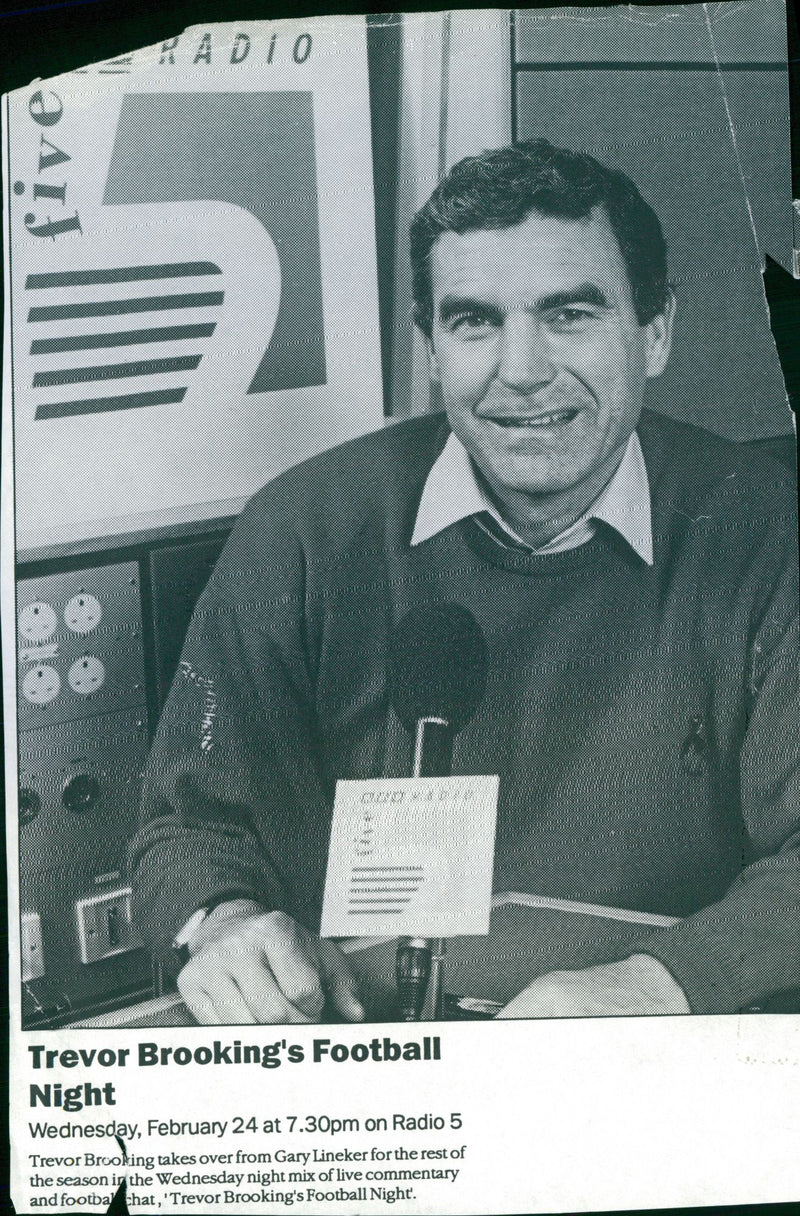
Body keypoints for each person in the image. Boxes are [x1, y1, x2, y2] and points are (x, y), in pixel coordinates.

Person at [130, 140, 799, 1025]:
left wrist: (661, 984)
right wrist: (226, 920)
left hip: (650, 1050)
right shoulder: (303, 528)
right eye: (475, 321)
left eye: (569, 315)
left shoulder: (762, 523)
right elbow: (186, 828)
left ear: (656, 330)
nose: (521, 370)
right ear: (433, 348)